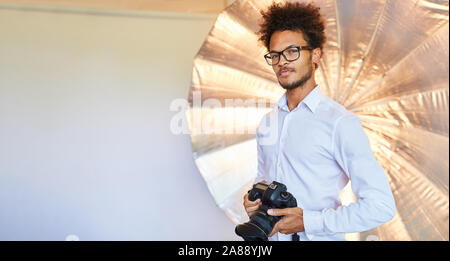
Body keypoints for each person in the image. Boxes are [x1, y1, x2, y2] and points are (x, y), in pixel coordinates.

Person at [243, 2, 396, 241]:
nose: (282, 61)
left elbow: (380, 205)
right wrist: (254, 200)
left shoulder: (340, 123)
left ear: (315, 55)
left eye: (292, 51)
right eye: (274, 55)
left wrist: (308, 221)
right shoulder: (267, 122)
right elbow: (263, 177)